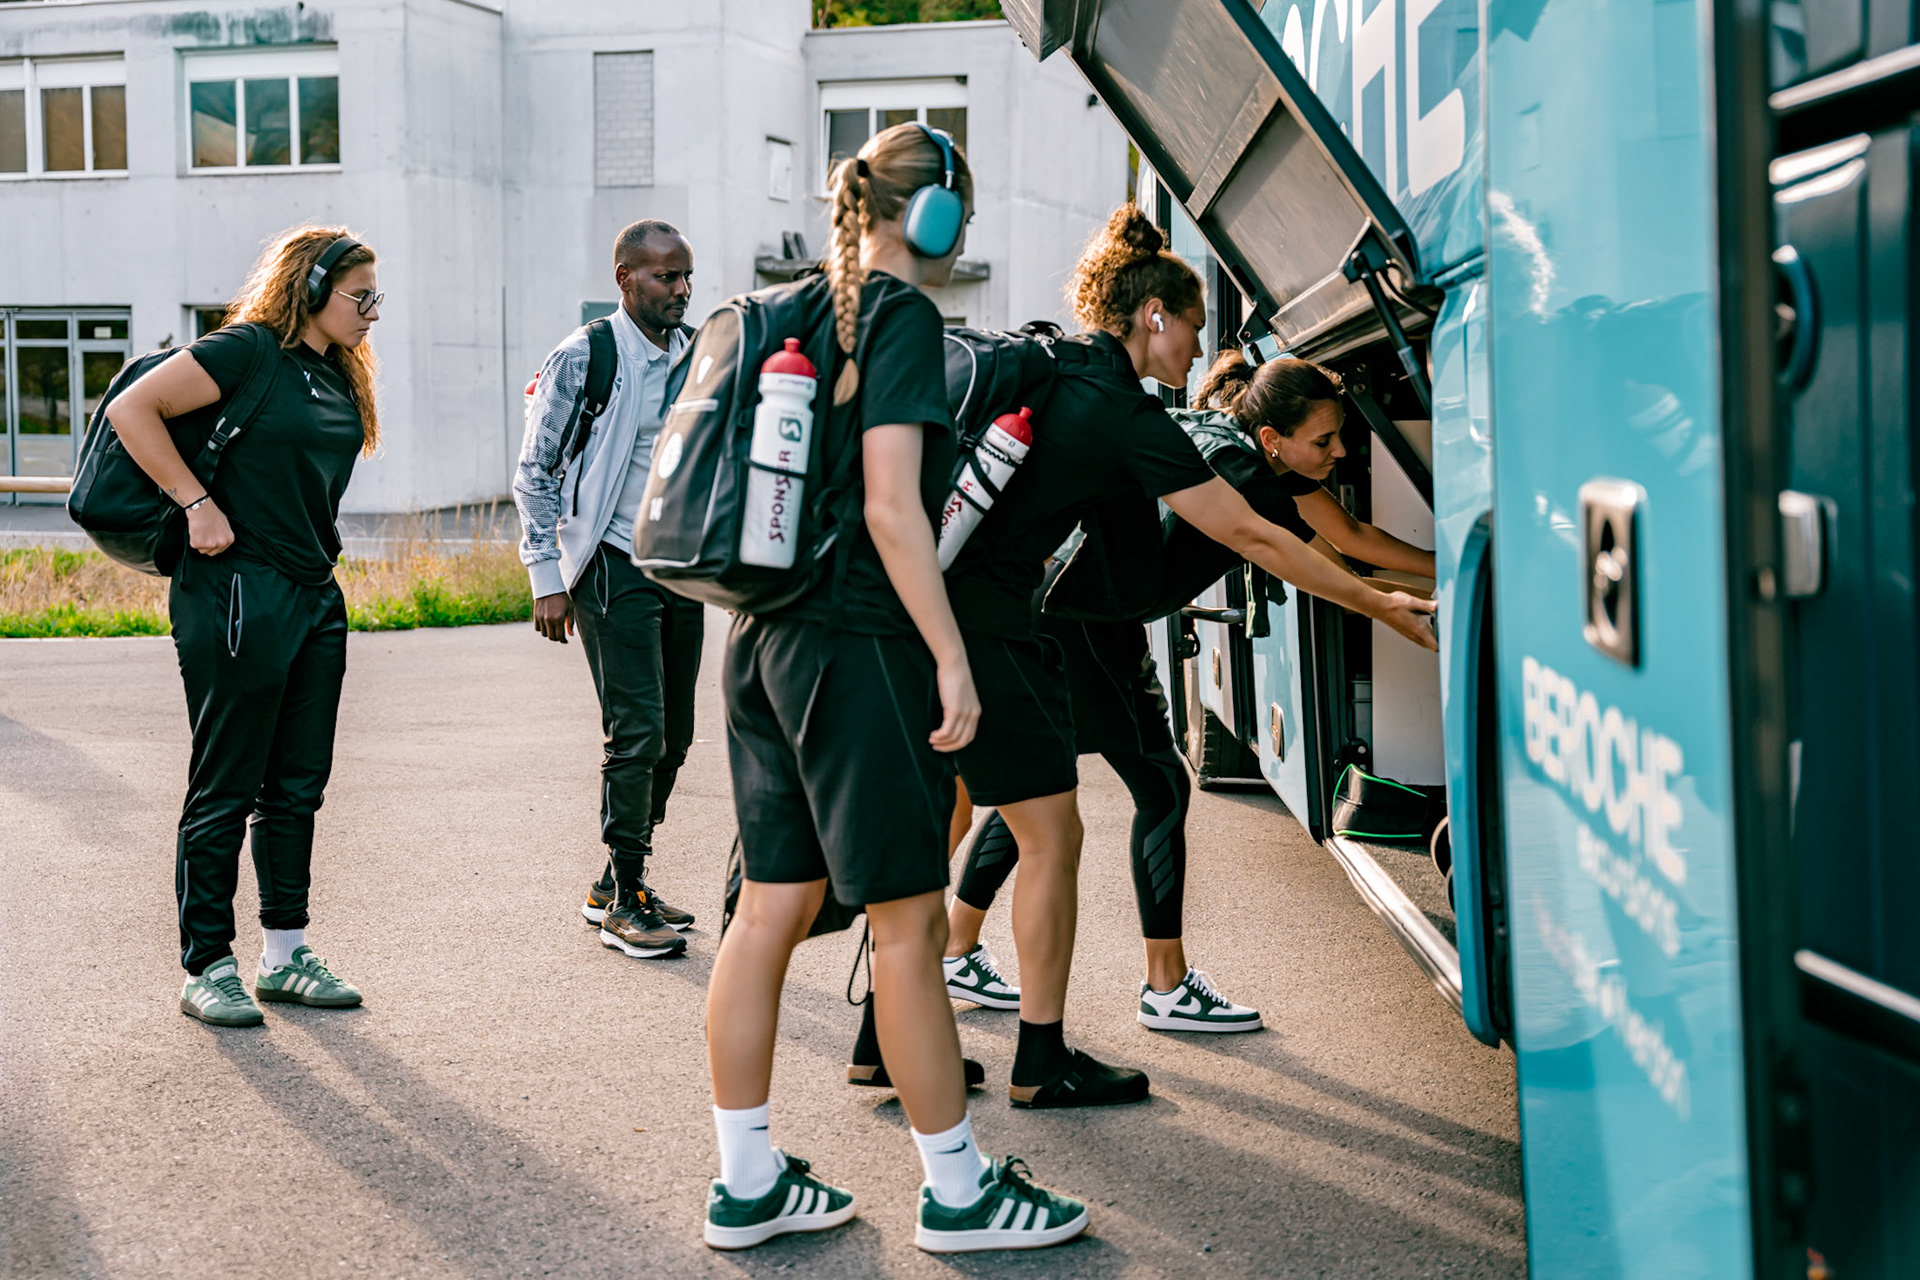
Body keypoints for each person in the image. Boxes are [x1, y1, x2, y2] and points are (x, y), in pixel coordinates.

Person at [846, 204, 1438, 1108]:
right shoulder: (1124, 411)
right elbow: (1259, 537)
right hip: (1000, 623)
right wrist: (1388, 611)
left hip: (966, 611)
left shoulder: (1066, 370)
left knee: (978, 812)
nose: (1201, 348)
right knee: (1053, 823)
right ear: (1154, 314)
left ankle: (891, 1035)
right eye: (1194, 323)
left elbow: (1304, 530)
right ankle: (1048, 1048)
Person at [703, 122, 1089, 1255]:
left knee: (768, 909)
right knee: (910, 919)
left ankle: (747, 1177)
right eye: (959, 205)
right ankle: (960, 1191)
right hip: (858, 645)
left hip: (762, 642)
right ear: (933, 215)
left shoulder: (785, 308)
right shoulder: (903, 313)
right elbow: (891, 507)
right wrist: (953, 655)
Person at [940, 351, 1438, 1034]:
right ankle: (1165, 987)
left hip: (1076, 616)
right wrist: (1386, 605)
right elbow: (1314, 559)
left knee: (1040, 789)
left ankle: (955, 949)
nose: (1339, 451)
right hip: (1083, 624)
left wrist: (1446, 572)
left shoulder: (1243, 449)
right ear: (1275, 440)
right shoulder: (1243, 476)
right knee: (1158, 790)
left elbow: (1350, 536)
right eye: (1324, 440)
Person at [106, 225, 383, 1027]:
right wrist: (197, 505)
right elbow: (134, 407)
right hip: (232, 587)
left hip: (310, 594)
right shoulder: (246, 351)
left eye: (377, 298)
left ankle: (286, 956)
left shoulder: (336, 376)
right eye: (359, 297)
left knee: (297, 784)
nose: (372, 312)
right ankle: (207, 965)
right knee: (226, 782)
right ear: (312, 287)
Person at [513, 220, 703, 962]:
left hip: (677, 565)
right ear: (626, 278)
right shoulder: (586, 355)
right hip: (608, 562)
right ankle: (625, 901)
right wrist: (546, 577)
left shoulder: (694, 356)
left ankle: (612, 882)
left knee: (676, 738)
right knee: (637, 734)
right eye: (665, 278)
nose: (680, 291)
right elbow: (535, 471)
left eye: (686, 277)